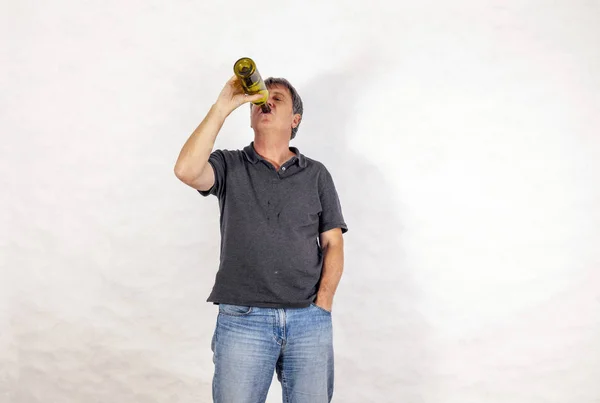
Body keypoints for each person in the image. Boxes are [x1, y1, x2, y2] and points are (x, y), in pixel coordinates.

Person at [174, 73, 348, 403]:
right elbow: (186, 170)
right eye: (261, 98)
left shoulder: (316, 174)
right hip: (243, 320)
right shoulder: (229, 164)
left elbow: (333, 243)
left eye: (277, 98)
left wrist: (321, 306)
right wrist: (223, 106)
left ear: (295, 119)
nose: (266, 101)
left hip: (308, 321)